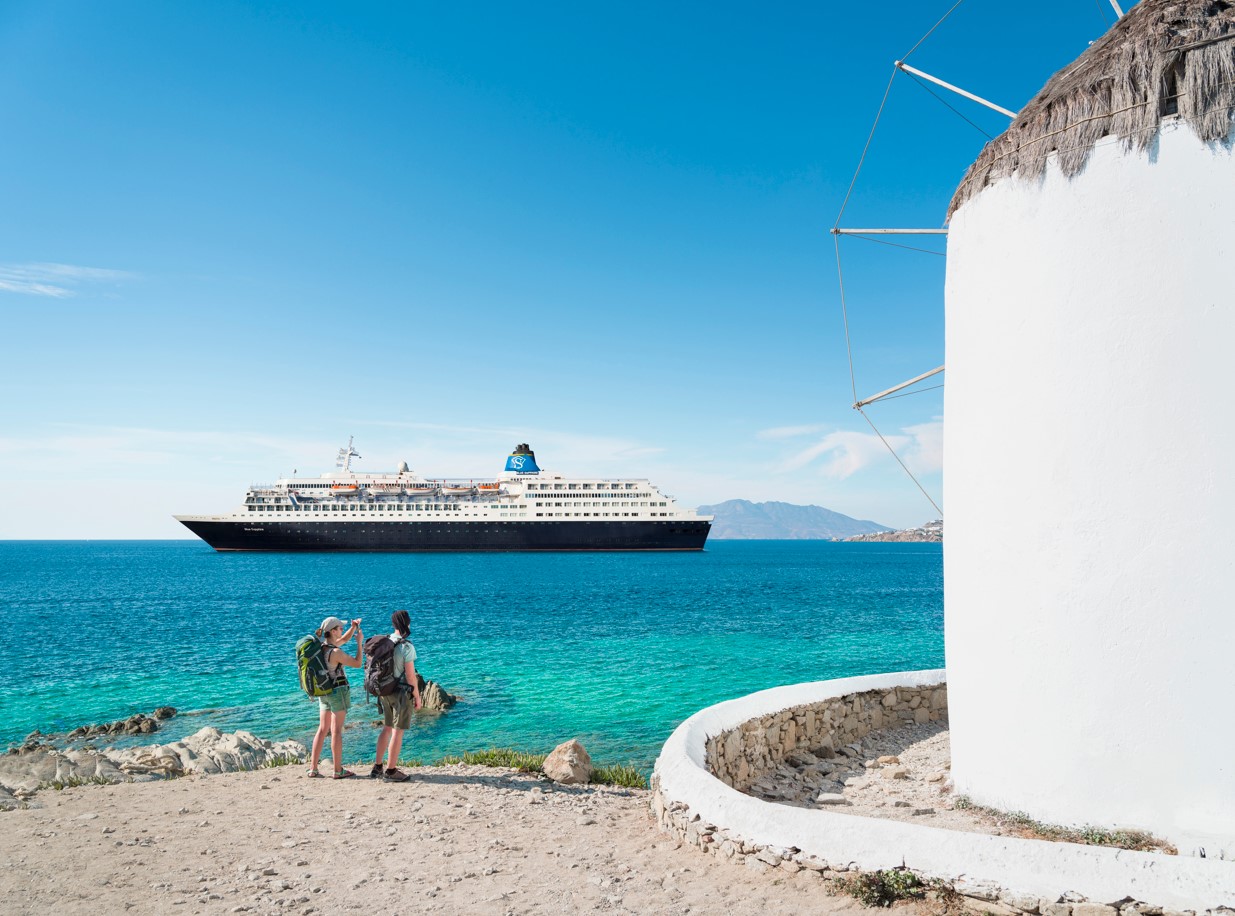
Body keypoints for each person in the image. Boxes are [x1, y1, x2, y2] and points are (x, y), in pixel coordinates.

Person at [308, 616, 363, 779]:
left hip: (323, 691)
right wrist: (359, 642)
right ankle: (338, 770)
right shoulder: (336, 652)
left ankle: (313, 768)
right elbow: (358, 663)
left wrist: (353, 628)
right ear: (332, 631)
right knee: (336, 730)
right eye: (339, 628)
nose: (341, 630)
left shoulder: (322, 648)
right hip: (337, 691)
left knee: (322, 729)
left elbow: (344, 639)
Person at [371, 609, 422, 782]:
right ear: (406, 623)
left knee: (386, 727)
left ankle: (377, 767)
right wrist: (417, 695)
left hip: (384, 691)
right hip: (400, 692)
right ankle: (391, 771)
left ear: (393, 624)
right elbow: (410, 675)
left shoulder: (385, 641)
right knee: (397, 731)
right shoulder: (406, 646)